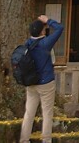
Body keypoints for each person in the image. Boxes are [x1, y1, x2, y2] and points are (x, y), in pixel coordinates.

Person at [19, 14, 64, 143]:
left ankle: (24, 139)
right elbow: (60, 28)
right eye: (44, 29)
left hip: (31, 82)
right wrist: (48, 20)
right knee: (47, 113)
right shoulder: (45, 43)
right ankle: (46, 140)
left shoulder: (27, 44)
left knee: (29, 113)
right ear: (42, 32)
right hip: (46, 82)